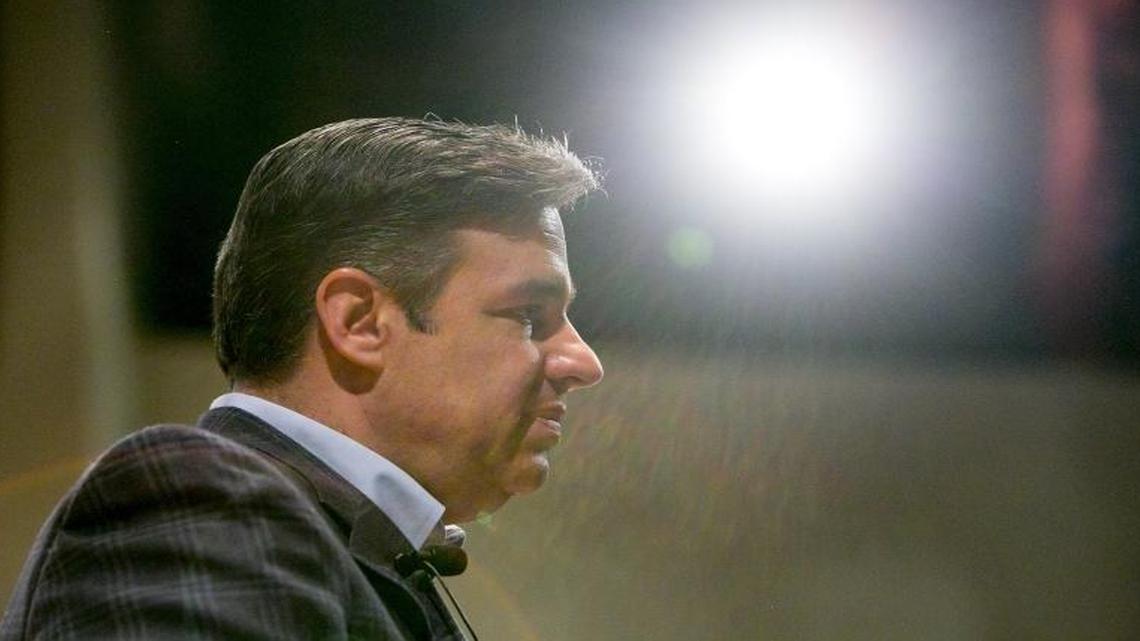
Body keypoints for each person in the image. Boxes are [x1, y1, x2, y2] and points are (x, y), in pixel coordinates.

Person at [1, 118, 605, 640]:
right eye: (529, 315)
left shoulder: (325, 535)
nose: (584, 363)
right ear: (359, 321)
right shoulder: (205, 500)